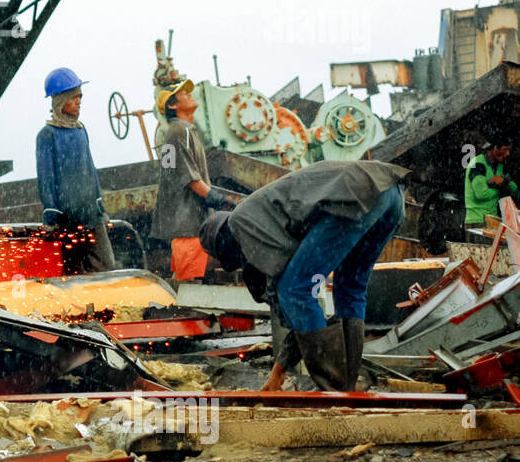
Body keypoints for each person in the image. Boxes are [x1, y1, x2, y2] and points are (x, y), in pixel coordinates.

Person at [199, 159, 408, 392]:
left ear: (224, 244)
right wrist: (278, 374)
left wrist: (279, 369)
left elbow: (291, 293)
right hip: (390, 193)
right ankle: (346, 388)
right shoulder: (263, 214)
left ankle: (334, 392)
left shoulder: (240, 224)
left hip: (355, 192)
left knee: (294, 289)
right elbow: (299, 308)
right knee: (350, 288)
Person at [150, 79, 232, 280]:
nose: (190, 95)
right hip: (188, 224)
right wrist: (218, 198)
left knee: (186, 280)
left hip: (185, 224)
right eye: (184, 94)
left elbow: (173, 173)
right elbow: (188, 178)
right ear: (172, 105)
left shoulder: (181, 131)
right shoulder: (179, 132)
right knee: (189, 284)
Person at [36, 67, 115, 273]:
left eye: (80, 96)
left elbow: (91, 171)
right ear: (60, 101)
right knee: (75, 272)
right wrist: (51, 215)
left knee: (105, 266)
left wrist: (99, 206)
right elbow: (46, 179)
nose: (79, 101)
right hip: (67, 220)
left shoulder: (81, 130)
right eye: (74, 97)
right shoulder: (47, 135)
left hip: (91, 215)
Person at [464, 141, 517, 227]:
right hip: (477, 221)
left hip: (492, 221)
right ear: (494, 148)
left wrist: (504, 182)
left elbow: (513, 188)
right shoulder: (477, 164)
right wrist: (500, 189)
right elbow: (481, 194)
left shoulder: (499, 166)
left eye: (509, 150)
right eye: (505, 149)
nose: (508, 153)